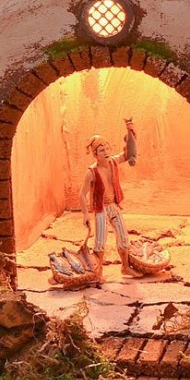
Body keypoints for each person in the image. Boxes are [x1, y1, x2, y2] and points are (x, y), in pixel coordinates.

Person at [80, 118, 138, 277]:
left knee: (123, 237)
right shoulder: (91, 172)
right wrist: (85, 214)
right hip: (101, 209)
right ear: (95, 154)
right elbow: (82, 194)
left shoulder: (113, 162)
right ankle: (98, 271)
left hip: (114, 205)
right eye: (101, 150)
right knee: (100, 241)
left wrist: (130, 131)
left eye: (107, 148)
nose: (106, 152)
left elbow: (128, 154)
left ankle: (125, 266)